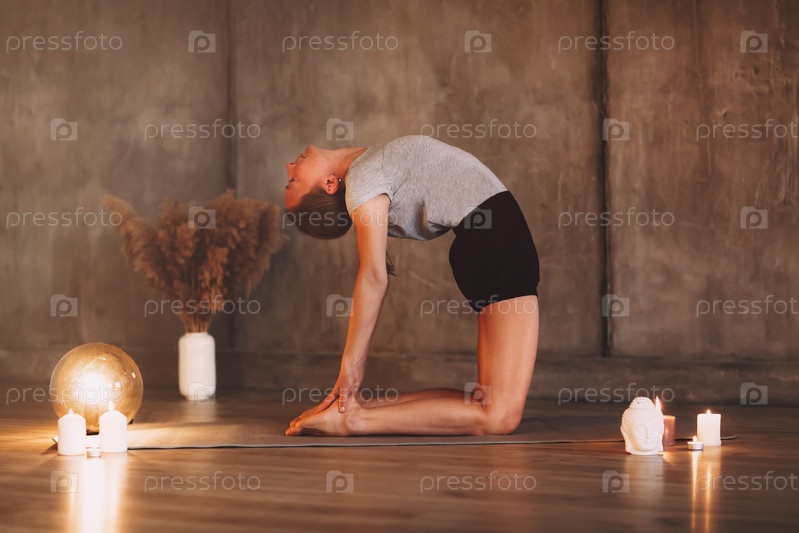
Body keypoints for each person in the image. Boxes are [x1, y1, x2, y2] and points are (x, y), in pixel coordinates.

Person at [283, 135, 540, 436]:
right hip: (496, 243)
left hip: (491, 242)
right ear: (329, 184)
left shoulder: (367, 168)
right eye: (293, 181)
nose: (289, 167)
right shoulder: (363, 180)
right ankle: (352, 420)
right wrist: (350, 369)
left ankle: (350, 411)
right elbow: (373, 276)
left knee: (487, 401)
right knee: (499, 417)